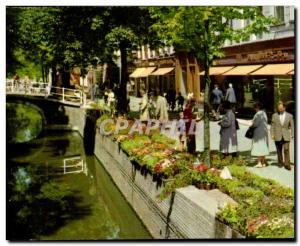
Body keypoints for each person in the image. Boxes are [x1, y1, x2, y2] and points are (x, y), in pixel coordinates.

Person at [270, 102, 294, 170]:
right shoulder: (274, 115)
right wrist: (272, 134)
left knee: (286, 150)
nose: (279, 109)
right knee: (279, 150)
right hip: (277, 135)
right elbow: (272, 125)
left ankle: (287, 164)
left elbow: (292, 126)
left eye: (281, 108)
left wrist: (292, 134)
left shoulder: (290, 116)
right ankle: (280, 162)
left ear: (284, 108)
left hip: (286, 135)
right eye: (278, 108)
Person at [250, 102, 269, 168]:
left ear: (257, 107)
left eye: (255, 107)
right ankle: (263, 162)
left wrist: (251, 124)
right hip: (264, 132)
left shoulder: (258, 114)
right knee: (263, 146)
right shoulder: (264, 113)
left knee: (258, 146)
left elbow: (255, 124)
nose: (254, 109)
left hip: (258, 133)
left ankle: (259, 162)